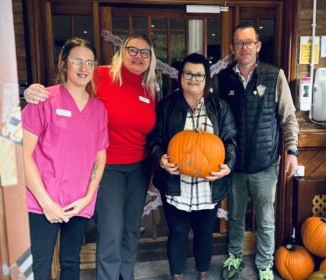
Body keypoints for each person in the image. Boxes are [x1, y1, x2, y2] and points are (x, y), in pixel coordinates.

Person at [23, 33, 158, 280]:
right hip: (104, 171)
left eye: (145, 52)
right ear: (122, 52)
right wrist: (29, 91)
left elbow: (144, 134)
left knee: (128, 232)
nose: (138, 56)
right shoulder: (99, 75)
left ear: (151, 58)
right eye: (132, 50)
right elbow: (65, 88)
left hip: (134, 169)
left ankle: (124, 276)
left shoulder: (147, 89)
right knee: (110, 231)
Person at [218, 22, 299, 280]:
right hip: (235, 165)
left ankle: (265, 264)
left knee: (265, 220)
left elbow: (288, 118)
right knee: (236, 216)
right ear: (232, 48)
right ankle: (234, 256)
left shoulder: (274, 75)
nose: (244, 48)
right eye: (240, 43)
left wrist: (293, 152)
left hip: (265, 165)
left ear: (258, 46)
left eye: (249, 42)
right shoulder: (224, 79)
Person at [22, 38, 108, 280]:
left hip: (77, 202)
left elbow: (100, 158)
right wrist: (46, 203)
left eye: (89, 62)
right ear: (63, 64)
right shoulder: (43, 100)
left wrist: (88, 197)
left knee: (71, 262)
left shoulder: (99, 109)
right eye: (77, 61)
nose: (83, 68)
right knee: (40, 265)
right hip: (41, 201)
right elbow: (22, 154)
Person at [149, 53, 237, 280]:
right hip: (176, 183)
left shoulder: (220, 106)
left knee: (204, 233)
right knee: (177, 233)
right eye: (188, 73)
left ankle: (203, 274)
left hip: (208, 185)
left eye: (199, 75)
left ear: (206, 78)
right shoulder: (167, 106)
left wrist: (228, 164)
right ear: (180, 76)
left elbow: (230, 140)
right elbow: (155, 140)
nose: (193, 79)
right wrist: (161, 159)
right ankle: (177, 276)